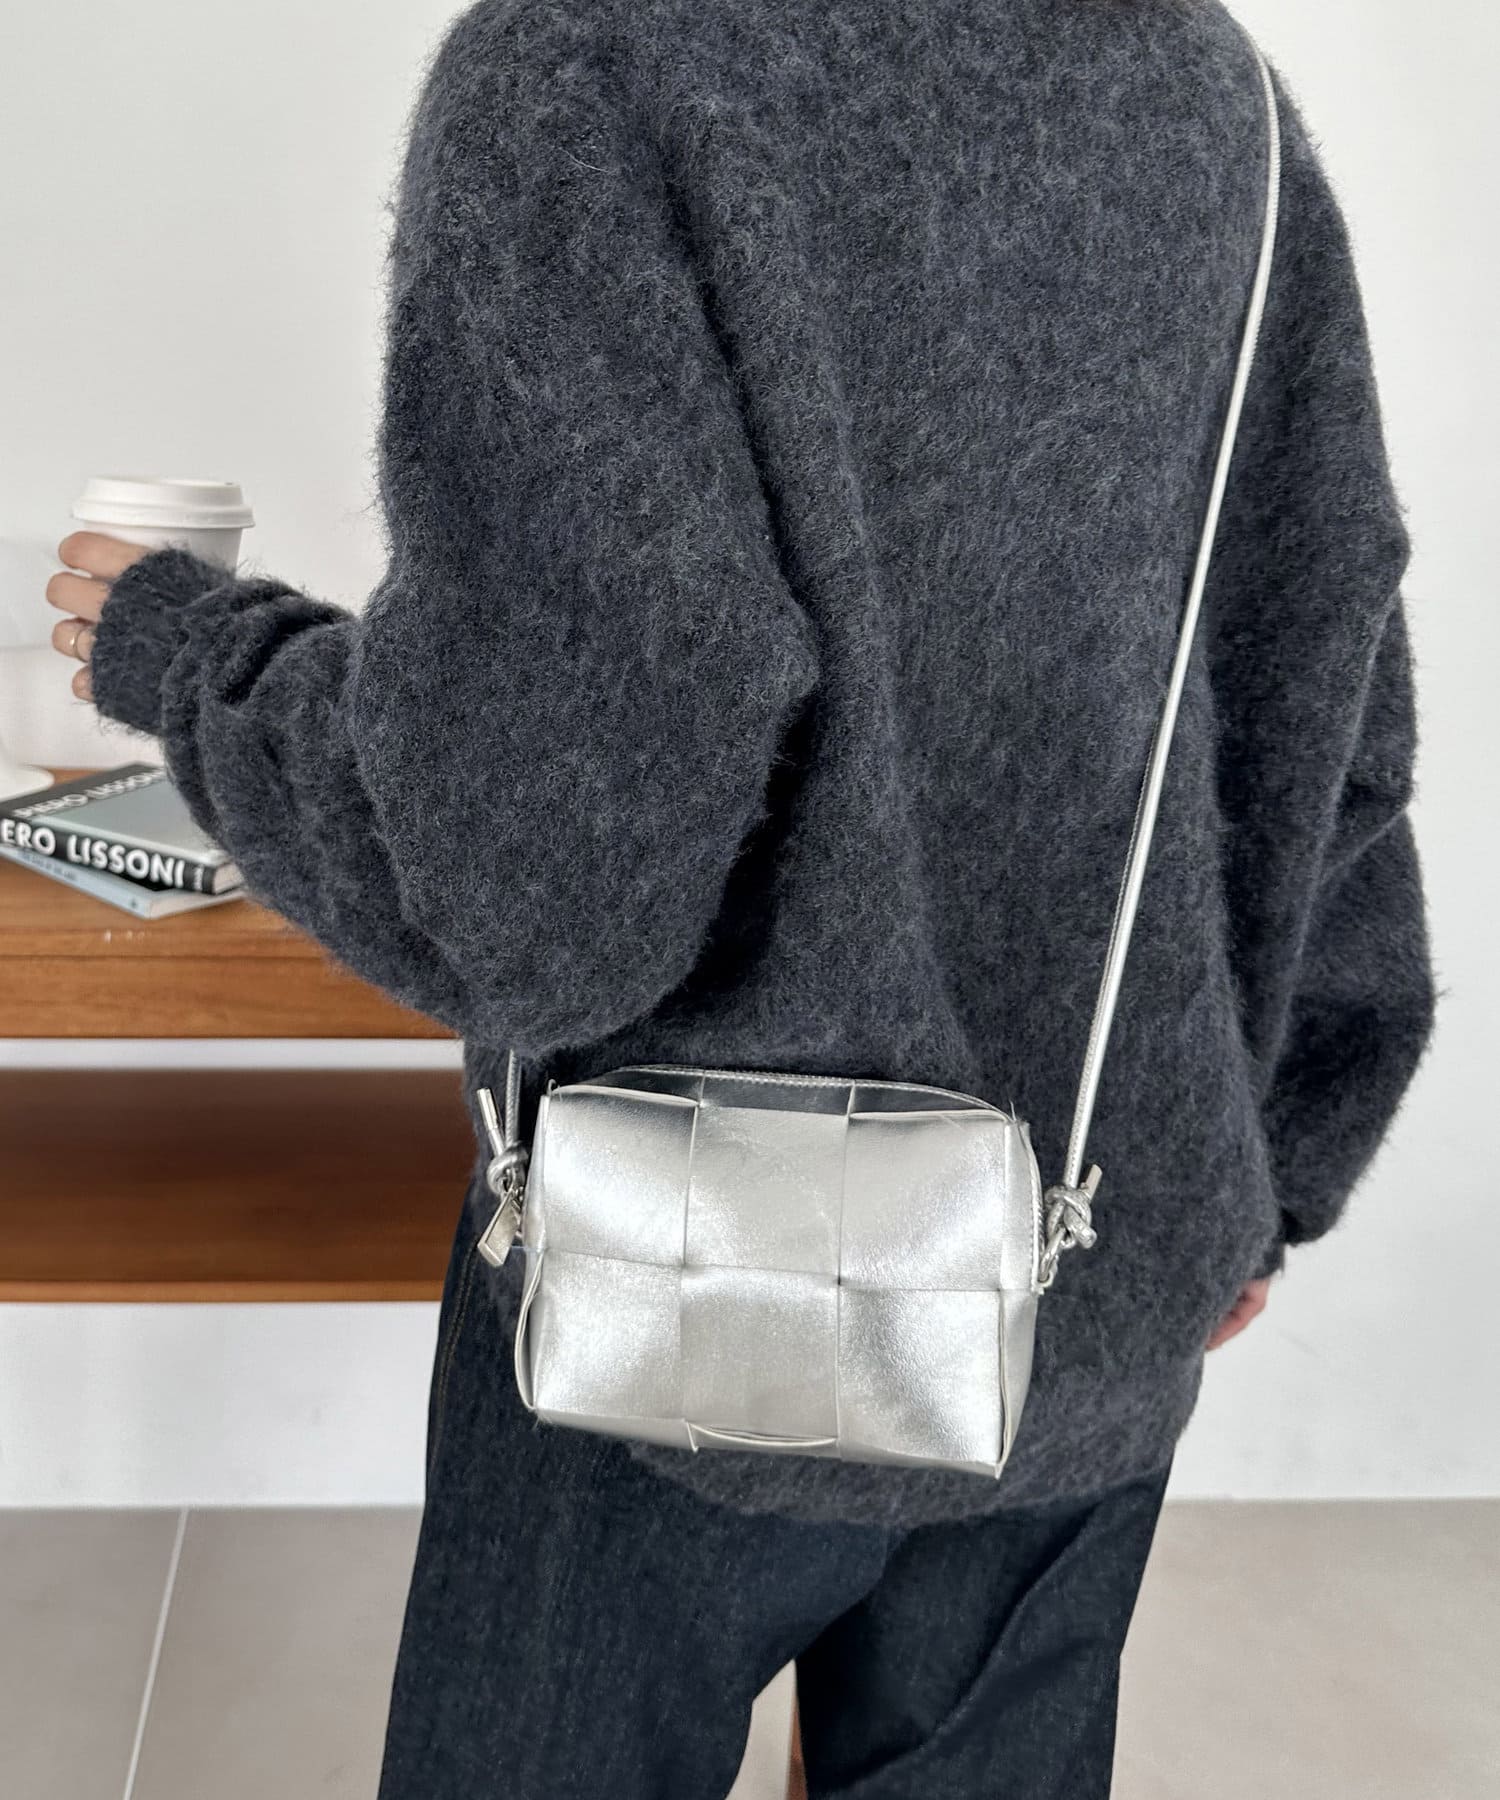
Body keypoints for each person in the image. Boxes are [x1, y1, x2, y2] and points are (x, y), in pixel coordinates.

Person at [47, 0, 1436, 1792]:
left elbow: (526, 883)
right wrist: (1274, 1160)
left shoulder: (588, 67)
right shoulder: (1205, 85)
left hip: (676, 1298)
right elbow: (1322, 677)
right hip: (1098, 1253)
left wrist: (198, 656)